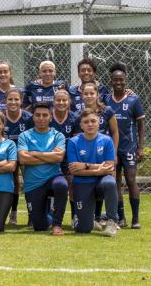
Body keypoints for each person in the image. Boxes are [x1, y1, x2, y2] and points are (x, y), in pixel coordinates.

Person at [104, 63, 145, 229]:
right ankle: (121, 218)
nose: (118, 83)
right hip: (112, 148)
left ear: (125, 81)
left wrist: (140, 147)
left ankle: (135, 218)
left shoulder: (133, 99)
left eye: (121, 80)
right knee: (115, 182)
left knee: (131, 179)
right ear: (111, 82)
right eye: (115, 80)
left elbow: (141, 124)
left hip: (129, 147)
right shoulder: (106, 99)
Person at [18, 102, 68, 236]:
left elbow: (59, 158)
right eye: (38, 115)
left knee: (62, 185)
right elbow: (23, 159)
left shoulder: (58, 136)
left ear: (50, 117)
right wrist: (49, 155)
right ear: (33, 117)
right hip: (33, 184)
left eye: (45, 115)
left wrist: (34, 153)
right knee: (40, 227)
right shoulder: (24, 136)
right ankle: (49, 213)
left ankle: (57, 225)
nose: (41, 118)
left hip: (53, 178)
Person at [67, 108, 118, 236]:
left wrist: (86, 166)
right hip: (82, 183)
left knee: (111, 183)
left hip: (102, 182)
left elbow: (109, 167)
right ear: (81, 125)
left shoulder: (106, 140)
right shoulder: (73, 142)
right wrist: (99, 169)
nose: (90, 124)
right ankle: (89, 221)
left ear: (98, 123)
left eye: (93, 121)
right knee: (84, 229)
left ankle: (111, 222)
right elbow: (75, 171)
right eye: (86, 122)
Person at [74, 82, 119, 223]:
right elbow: (76, 137)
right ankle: (95, 217)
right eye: (86, 93)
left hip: (105, 152)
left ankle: (113, 218)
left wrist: (114, 153)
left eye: (92, 93)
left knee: (108, 182)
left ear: (97, 94)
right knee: (91, 182)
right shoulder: (78, 115)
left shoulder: (107, 111)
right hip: (87, 154)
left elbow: (115, 132)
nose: (89, 96)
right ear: (82, 96)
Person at [3, 88, 33, 225]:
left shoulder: (28, 118)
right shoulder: (1, 117)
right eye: (10, 99)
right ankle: (13, 214)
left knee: (29, 182)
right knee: (14, 182)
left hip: (25, 154)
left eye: (16, 99)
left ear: (21, 101)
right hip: (8, 155)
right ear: (5, 101)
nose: (13, 102)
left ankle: (32, 213)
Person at [50, 89, 78, 223]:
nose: (61, 102)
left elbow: (77, 143)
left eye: (64, 100)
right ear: (53, 101)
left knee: (72, 185)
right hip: (50, 158)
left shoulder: (75, 118)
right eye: (58, 100)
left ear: (69, 102)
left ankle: (74, 217)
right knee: (52, 186)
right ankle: (50, 216)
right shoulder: (47, 116)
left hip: (69, 157)